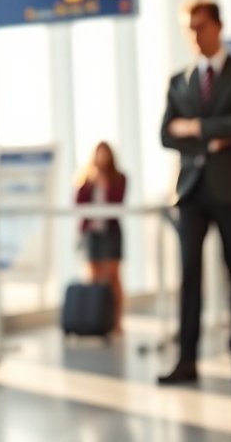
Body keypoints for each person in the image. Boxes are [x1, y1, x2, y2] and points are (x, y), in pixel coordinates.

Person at [158, 0, 231, 386]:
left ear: (218, 26)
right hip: (190, 191)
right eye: (188, 28)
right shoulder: (179, 80)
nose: (194, 35)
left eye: (200, 26)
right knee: (189, 276)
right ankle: (186, 360)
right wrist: (217, 134)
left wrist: (195, 128)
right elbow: (166, 133)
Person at [74, 141, 128, 334]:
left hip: (111, 232)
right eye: (99, 154)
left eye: (105, 154)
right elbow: (78, 203)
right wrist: (91, 182)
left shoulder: (119, 178)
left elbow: (118, 202)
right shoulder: (87, 179)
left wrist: (105, 183)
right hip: (92, 233)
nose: (102, 158)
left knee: (113, 276)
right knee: (94, 277)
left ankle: (117, 321)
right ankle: (96, 321)